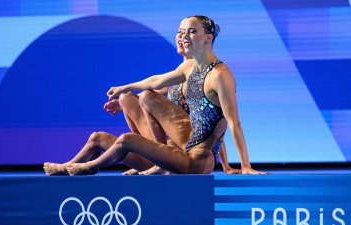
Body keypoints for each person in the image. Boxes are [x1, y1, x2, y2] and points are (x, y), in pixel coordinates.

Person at [52, 15, 264, 175]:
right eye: (182, 32)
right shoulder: (189, 69)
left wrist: (243, 165)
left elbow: (230, 122)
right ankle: (66, 168)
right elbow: (155, 81)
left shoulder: (220, 74)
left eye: (191, 32)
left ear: (208, 38)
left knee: (135, 120)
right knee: (100, 135)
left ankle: (90, 166)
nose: (184, 36)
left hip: (197, 159)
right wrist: (125, 88)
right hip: (174, 153)